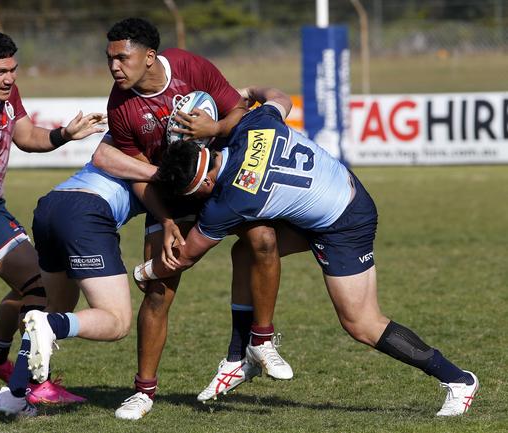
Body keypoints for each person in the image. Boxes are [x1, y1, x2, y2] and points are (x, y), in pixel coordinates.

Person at [136, 86, 479, 417]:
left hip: (345, 223)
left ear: (206, 184)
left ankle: (458, 379)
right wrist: (251, 90)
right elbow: (278, 97)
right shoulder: (254, 123)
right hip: (339, 191)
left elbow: (185, 257)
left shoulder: (226, 202)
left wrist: (143, 272)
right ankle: (241, 355)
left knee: (362, 323)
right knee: (247, 251)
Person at [94, 18, 292, 419]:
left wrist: (216, 126)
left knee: (263, 241)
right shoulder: (121, 106)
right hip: (172, 197)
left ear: (149, 57)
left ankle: (261, 341)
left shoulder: (189, 66)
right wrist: (166, 221)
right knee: (159, 288)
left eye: (122, 57)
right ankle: (143, 392)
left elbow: (239, 109)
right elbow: (136, 172)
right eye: (110, 58)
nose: (115, 67)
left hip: (222, 179)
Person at [0, 30, 105, 405]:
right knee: (40, 287)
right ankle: (27, 386)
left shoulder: (5, 93)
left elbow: (26, 135)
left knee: (29, 284)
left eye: (13, 69)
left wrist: (65, 134)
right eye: (0, 72)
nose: (9, 78)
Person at [0, 152, 156, 417]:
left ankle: (15, 394)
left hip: (51, 205)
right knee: (116, 321)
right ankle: (50, 327)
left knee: (57, 307)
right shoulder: (160, 151)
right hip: (86, 213)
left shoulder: (128, 137)